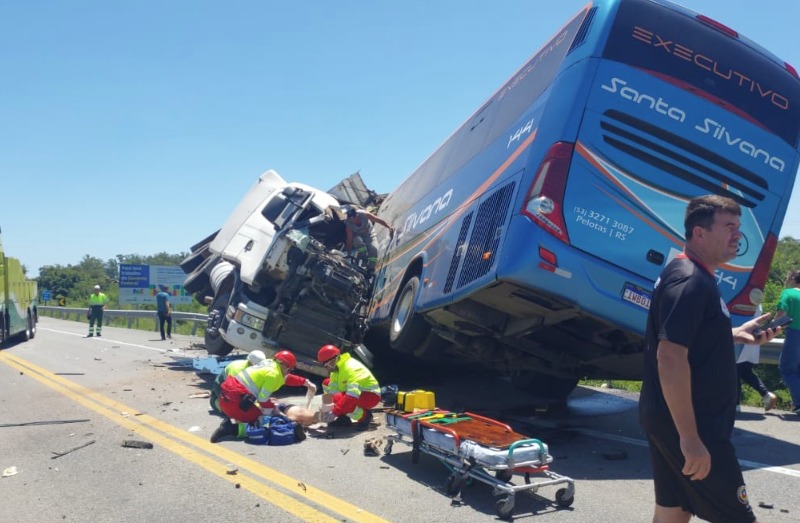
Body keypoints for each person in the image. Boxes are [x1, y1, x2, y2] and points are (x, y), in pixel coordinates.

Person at [639, 194, 781, 523]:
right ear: (700, 233)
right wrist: (690, 438)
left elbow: (686, 335)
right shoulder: (691, 282)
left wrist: (733, 332)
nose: (738, 236)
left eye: (739, 227)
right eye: (729, 227)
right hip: (693, 424)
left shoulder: (688, 272)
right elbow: (670, 357)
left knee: (674, 512)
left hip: (670, 417)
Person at [211, 350, 317, 443]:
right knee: (263, 421)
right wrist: (276, 411)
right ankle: (231, 429)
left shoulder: (269, 363)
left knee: (266, 412)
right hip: (234, 402)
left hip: (227, 397)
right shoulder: (273, 374)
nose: (288, 372)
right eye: (289, 370)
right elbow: (263, 399)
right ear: (284, 366)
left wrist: (306, 382)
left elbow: (286, 378)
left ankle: (237, 422)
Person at [317, 344, 380, 430]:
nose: (326, 368)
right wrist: (327, 408)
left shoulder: (351, 368)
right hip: (356, 394)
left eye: (325, 365)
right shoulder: (336, 370)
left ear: (333, 360)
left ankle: (365, 417)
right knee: (326, 383)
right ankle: (343, 418)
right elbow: (332, 390)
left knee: (339, 399)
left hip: (370, 396)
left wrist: (334, 412)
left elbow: (352, 396)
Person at [735, 305, 778, 412]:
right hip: (752, 343)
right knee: (743, 372)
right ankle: (766, 394)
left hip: (742, 342)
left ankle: (735, 404)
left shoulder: (742, 302)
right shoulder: (756, 304)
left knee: (734, 372)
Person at [209, 350, 267, 415]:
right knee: (232, 410)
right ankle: (214, 401)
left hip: (237, 387)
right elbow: (232, 389)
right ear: (249, 361)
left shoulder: (258, 370)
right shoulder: (237, 369)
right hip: (221, 386)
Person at [775, 271, 800, 414]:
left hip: (795, 335)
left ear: (794, 279)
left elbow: (780, 317)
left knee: (787, 369)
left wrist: (770, 330)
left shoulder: (789, 294)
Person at [343, 206, 393, 271]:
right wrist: (348, 254)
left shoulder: (364, 214)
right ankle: (364, 257)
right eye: (351, 220)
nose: (354, 221)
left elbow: (378, 220)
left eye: (354, 218)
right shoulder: (348, 223)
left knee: (374, 249)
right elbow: (349, 239)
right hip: (358, 235)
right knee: (357, 241)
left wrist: (389, 227)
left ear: (357, 215)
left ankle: (371, 268)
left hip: (369, 234)